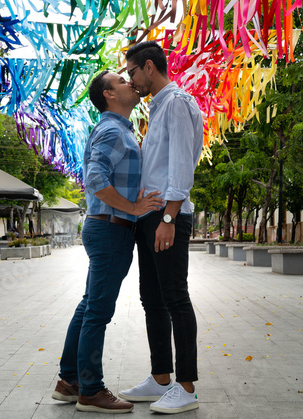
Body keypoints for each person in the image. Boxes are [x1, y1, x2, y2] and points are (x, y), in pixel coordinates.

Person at [52, 70, 164, 414]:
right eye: (121, 80)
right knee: (98, 310)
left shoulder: (119, 130)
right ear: (109, 95)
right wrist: (131, 207)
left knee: (89, 305)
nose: (130, 82)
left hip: (107, 227)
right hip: (112, 228)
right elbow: (94, 177)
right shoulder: (114, 130)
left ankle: (69, 381)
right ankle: (90, 390)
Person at [118, 42, 203, 414]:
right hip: (149, 217)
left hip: (169, 217)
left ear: (149, 67)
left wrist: (168, 218)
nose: (131, 80)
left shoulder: (177, 102)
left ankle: (186, 387)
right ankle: (160, 377)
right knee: (151, 299)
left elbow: (182, 165)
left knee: (174, 297)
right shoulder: (157, 108)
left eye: (132, 72)